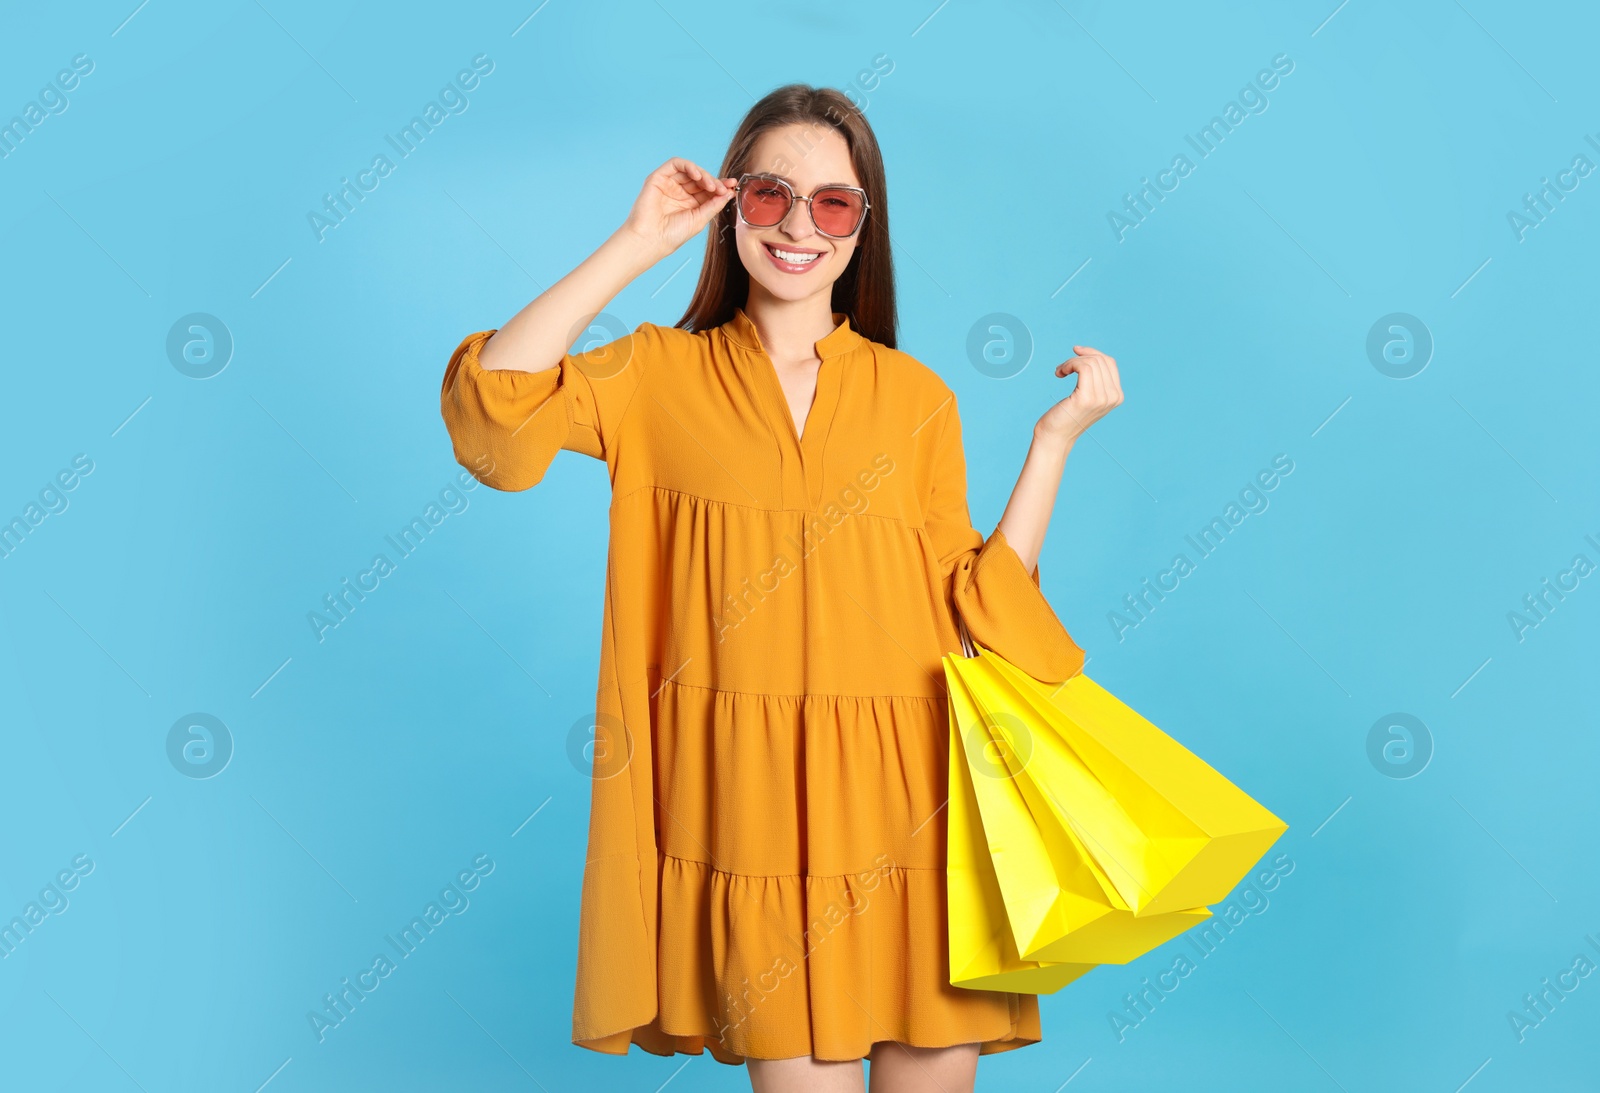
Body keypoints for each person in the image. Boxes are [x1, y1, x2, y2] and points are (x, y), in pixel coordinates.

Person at [438, 84, 1122, 1093]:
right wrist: (635, 245)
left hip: (910, 804)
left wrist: (1052, 445)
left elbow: (981, 602)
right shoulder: (656, 376)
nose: (800, 225)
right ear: (730, 208)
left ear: (862, 225)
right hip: (752, 818)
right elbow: (497, 418)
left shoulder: (914, 398)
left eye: (833, 203)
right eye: (769, 196)